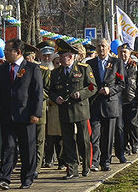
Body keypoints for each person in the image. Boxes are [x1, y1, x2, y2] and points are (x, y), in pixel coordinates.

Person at [0, 38, 44, 188]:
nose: (5, 53)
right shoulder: (1, 70)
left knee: (27, 149)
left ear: (18, 52)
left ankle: (27, 178)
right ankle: (4, 179)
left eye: (8, 50)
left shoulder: (32, 68)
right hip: (7, 115)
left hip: (26, 116)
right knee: (8, 147)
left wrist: (36, 114)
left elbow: (37, 93)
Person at [49, 39, 95, 178]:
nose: (61, 59)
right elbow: (51, 90)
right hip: (64, 110)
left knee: (83, 140)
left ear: (70, 57)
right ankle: (72, 169)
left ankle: (86, 166)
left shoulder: (83, 68)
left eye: (63, 56)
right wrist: (55, 98)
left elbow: (93, 87)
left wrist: (81, 94)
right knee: (68, 141)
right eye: (60, 56)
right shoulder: (56, 73)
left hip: (80, 110)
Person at [87, 38, 125, 170]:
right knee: (94, 134)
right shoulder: (90, 64)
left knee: (108, 136)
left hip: (110, 104)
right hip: (95, 104)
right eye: (98, 46)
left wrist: (110, 90)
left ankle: (106, 161)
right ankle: (95, 161)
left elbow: (121, 84)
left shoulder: (116, 62)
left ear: (109, 48)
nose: (101, 49)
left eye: (103, 46)